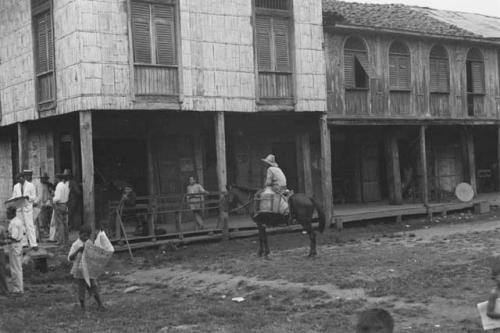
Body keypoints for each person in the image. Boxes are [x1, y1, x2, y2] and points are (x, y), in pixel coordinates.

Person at [68, 225, 104, 311]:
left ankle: (100, 305)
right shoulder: (75, 244)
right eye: (84, 235)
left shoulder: (89, 242)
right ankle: (83, 307)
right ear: (79, 234)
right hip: (79, 271)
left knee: (93, 286)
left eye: (88, 236)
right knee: (81, 289)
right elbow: (70, 258)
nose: (86, 237)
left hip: (88, 269)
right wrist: (78, 251)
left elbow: (93, 255)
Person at [12, 171, 38, 250]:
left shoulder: (31, 185)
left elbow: (34, 197)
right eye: (17, 180)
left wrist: (28, 197)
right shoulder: (16, 186)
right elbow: (14, 197)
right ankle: (24, 243)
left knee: (30, 226)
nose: (19, 181)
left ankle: (33, 244)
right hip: (20, 209)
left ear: (23, 178)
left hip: (27, 208)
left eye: (20, 179)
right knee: (21, 226)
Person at [7, 206, 25, 294]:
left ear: (12, 213)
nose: (7, 214)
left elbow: (13, 237)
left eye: (8, 213)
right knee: (18, 267)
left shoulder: (14, 223)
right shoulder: (18, 221)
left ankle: (17, 289)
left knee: (15, 268)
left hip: (14, 246)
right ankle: (19, 287)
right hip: (19, 245)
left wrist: (5, 238)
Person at [52, 172, 70, 245]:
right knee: (65, 223)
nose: (54, 180)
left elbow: (58, 198)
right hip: (65, 204)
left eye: (55, 178)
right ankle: (66, 240)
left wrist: (53, 199)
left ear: (58, 179)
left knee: (60, 224)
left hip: (59, 205)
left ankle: (60, 240)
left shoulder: (59, 185)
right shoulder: (66, 185)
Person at [35, 173, 54, 240]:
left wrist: (50, 199)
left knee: (49, 218)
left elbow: (52, 193)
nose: (43, 179)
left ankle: (48, 232)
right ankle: (44, 231)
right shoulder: (38, 185)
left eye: (45, 178)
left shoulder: (49, 185)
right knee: (43, 219)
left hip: (48, 203)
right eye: (42, 178)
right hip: (42, 204)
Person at [0, 224, 10, 296]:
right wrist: (9, 241)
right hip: (0, 251)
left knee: (2, 271)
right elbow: (3, 241)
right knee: (2, 271)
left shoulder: (2, 228)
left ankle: (4, 290)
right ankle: (4, 290)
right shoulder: (1, 228)